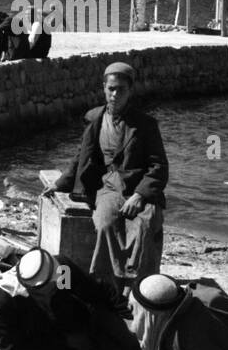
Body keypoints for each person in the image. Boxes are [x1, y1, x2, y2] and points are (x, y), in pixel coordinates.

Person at [53, 61, 168, 299]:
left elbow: (159, 166)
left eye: (121, 90)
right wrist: (60, 183)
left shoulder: (145, 124)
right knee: (106, 223)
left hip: (138, 186)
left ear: (130, 91)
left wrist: (140, 195)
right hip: (109, 186)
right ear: (104, 88)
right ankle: (107, 287)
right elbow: (81, 156)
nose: (115, 94)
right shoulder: (94, 119)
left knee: (145, 225)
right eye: (111, 89)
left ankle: (136, 288)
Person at [0, 248, 139, 350]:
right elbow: (12, 346)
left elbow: (95, 290)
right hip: (48, 338)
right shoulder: (4, 300)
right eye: (50, 285)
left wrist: (128, 312)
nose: (56, 284)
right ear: (33, 287)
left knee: (131, 339)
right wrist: (65, 344)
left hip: (75, 320)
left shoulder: (61, 270)